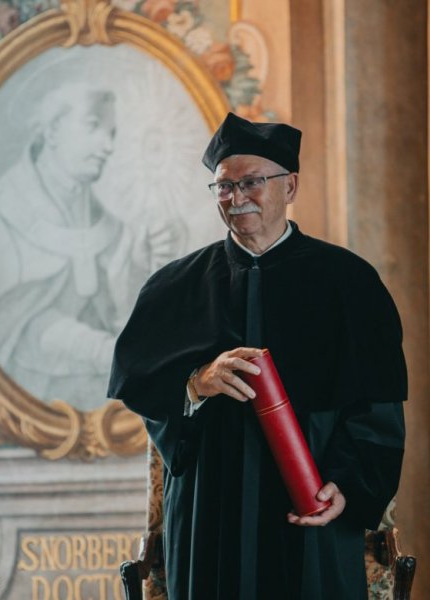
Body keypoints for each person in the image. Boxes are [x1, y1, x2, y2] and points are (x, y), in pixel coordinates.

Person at [108, 113, 407, 598]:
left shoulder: (350, 283)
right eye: (224, 187)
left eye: (252, 182)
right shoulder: (176, 287)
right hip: (212, 515)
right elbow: (143, 388)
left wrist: (347, 488)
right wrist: (194, 383)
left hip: (312, 515)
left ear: (289, 186)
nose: (237, 197)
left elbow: (378, 413)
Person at [0, 84, 177, 410]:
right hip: (26, 413)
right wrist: (113, 352)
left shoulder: (112, 228)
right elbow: (24, 334)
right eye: (93, 126)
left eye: (112, 133)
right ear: (53, 130)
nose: (108, 145)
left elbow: (122, 321)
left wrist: (144, 274)